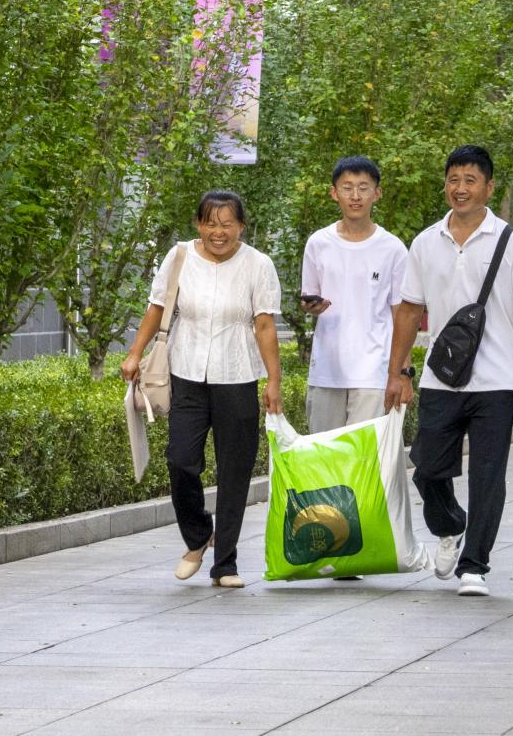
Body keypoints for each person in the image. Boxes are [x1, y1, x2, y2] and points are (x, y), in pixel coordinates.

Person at [385, 145, 513, 598]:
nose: (460, 188)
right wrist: (398, 372)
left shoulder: (512, 242)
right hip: (441, 376)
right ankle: (451, 525)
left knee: (487, 474)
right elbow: (409, 310)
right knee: (427, 467)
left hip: (497, 378)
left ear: (489, 187)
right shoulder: (426, 242)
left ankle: (474, 565)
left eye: (470, 180)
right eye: (453, 179)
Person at [122, 191, 282, 589]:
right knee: (180, 460)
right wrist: (135, 353)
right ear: (198, 224)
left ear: (241, 226)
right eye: (211, 223)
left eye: (227, 224)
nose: (218, 232)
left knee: (234, 472)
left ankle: (225, 564)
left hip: (237, 376)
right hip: (186, 374)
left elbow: (264, 325)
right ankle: (197, 536)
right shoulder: (179, 256)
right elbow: (157, 308)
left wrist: (274, 380)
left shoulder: (258, 264)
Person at [299, 155, 408, 433]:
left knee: (365, 455)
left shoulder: (393, 248)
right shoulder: (318, 243)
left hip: (374, 373)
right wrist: (311, 307)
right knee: (325, 454)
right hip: (327, 369)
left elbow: (402, 315)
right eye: (347, 188)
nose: (355, 196)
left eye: (363, 187)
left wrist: (403, 373)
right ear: (334, 193)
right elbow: (308, 296)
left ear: (377, 193)